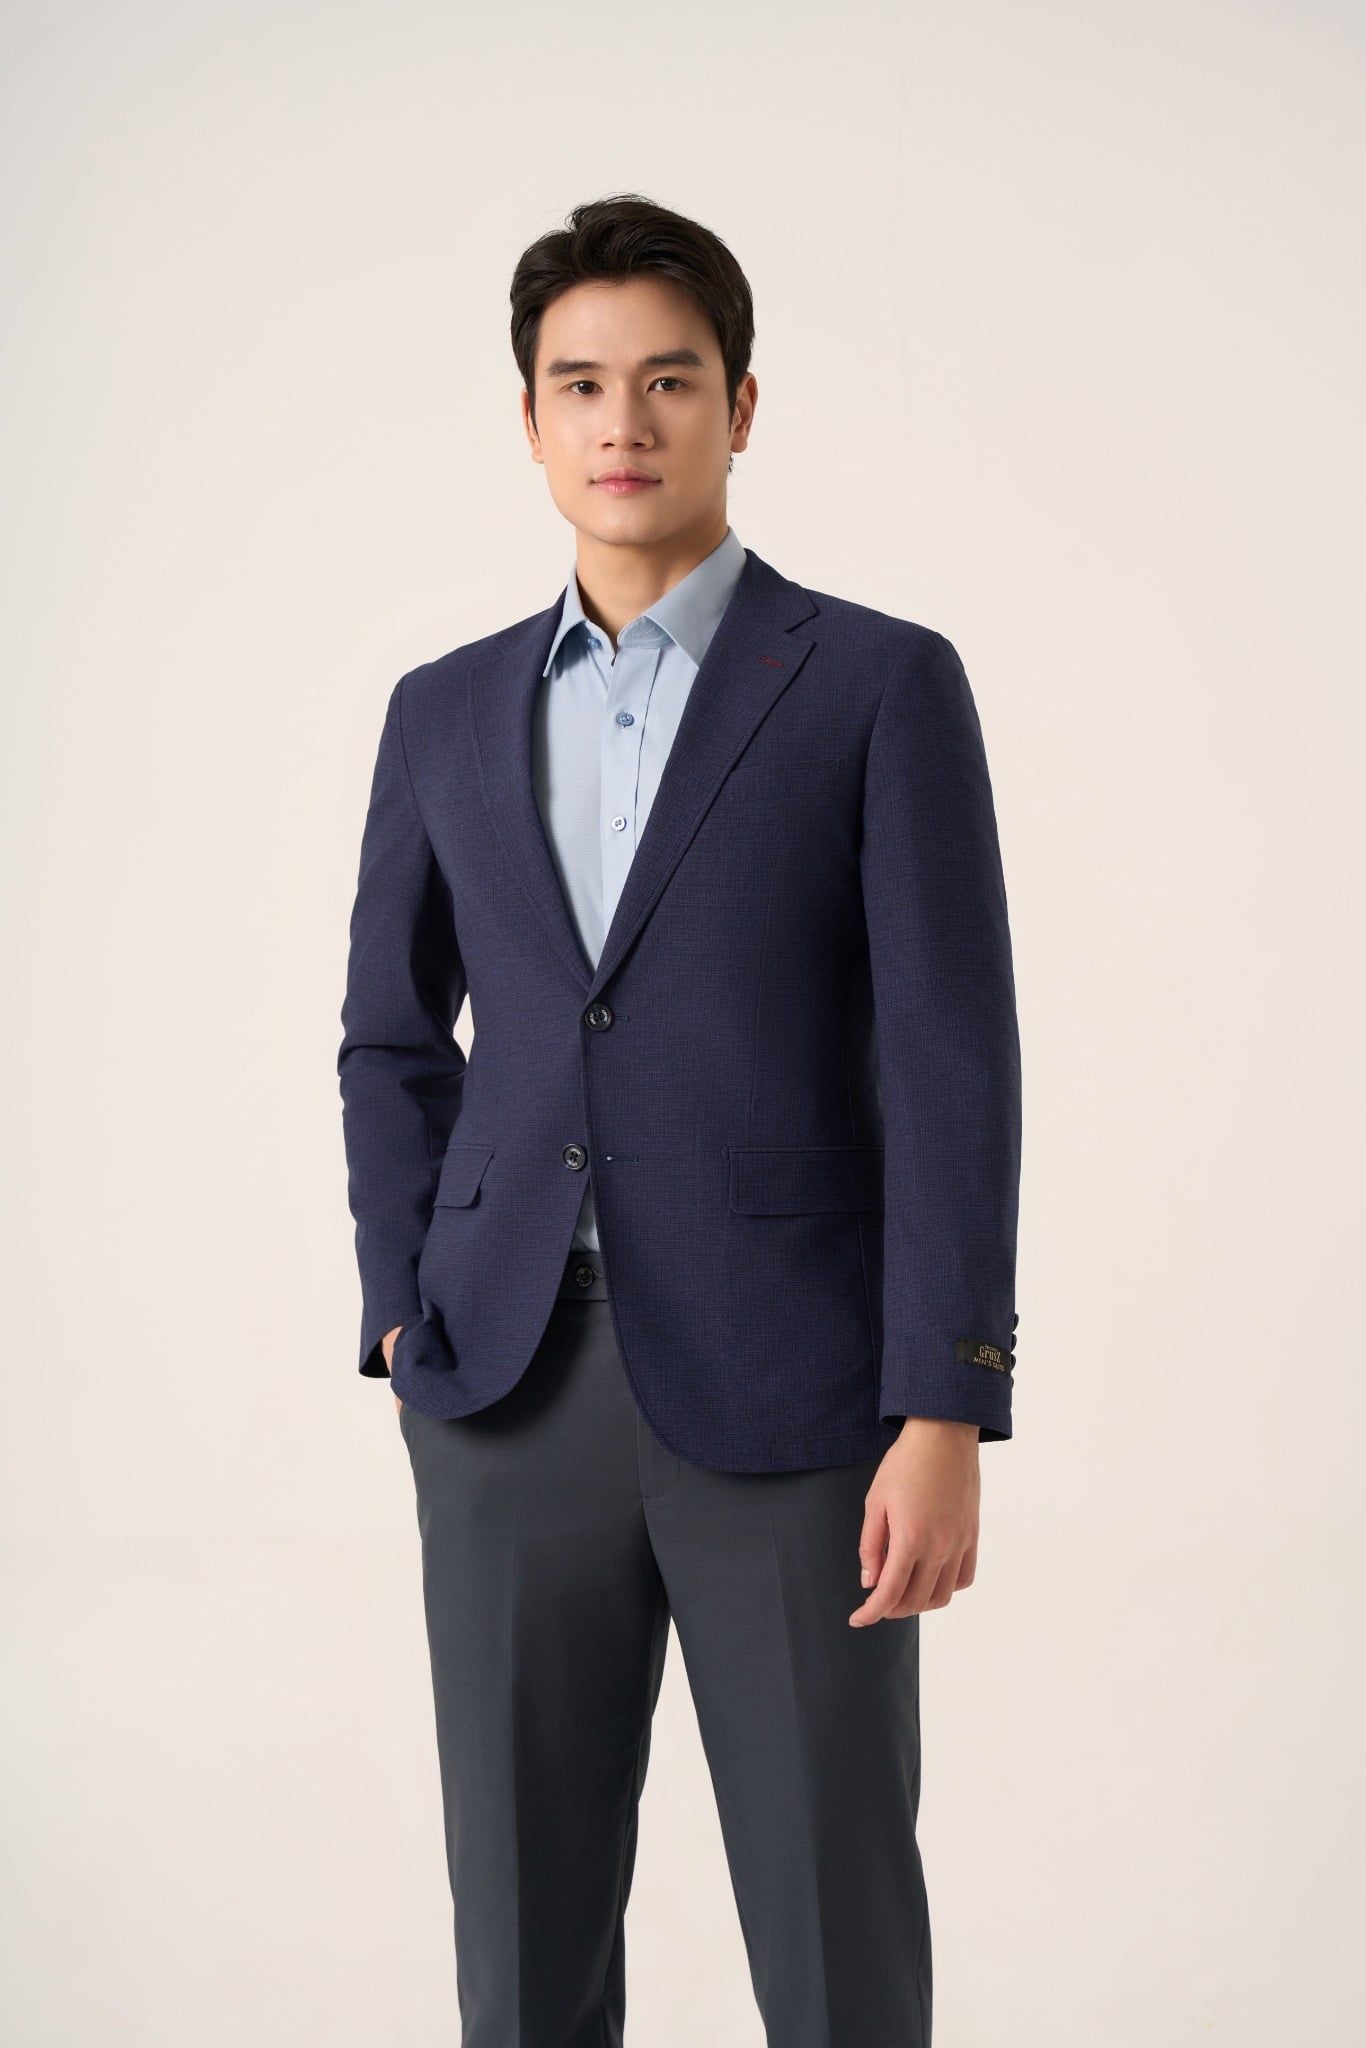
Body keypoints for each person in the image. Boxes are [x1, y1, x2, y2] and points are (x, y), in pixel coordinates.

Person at [337, 191, 1021, 2048]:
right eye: (580, 385)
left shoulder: (875, 682)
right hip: (501, 1391)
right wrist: (403, 1310)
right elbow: (391, 1037)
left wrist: (945, 1401)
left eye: (666, 379)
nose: (621, 423)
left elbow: (950, 1058)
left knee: (833, 1938)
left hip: (797, 1399)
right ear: (528, 418)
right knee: (522, 1947)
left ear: (739, 404)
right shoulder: (441, 712)